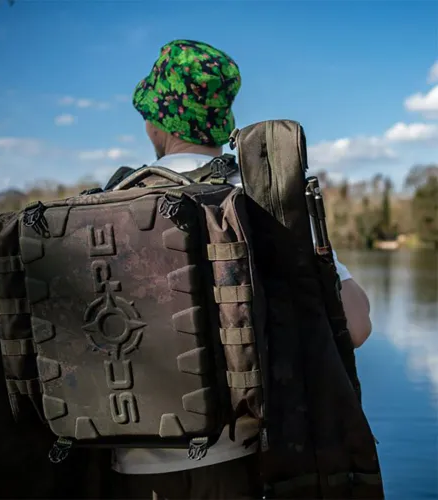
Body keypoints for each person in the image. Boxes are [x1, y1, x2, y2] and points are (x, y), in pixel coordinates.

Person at [110, 39, 372, 500]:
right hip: (246, 460)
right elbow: (355, 326)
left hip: (128, 469)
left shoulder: (108, 204)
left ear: (155, 124)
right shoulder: (266, 199)